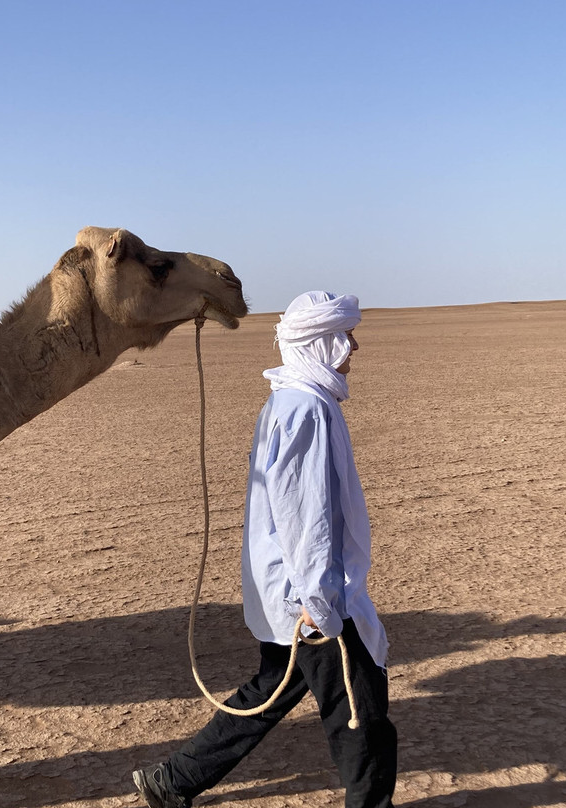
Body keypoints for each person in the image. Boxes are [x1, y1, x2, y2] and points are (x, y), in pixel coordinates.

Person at [133, 291, 397, 808]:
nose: (355, 346)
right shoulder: (305, 409)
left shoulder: (297, 400)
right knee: (360, 712)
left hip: (296, 590)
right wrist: (318, 600)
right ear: (319, 343)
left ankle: (172, 782)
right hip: (313, 598)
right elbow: (304, 513)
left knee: (268, 692)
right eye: (345, 336)